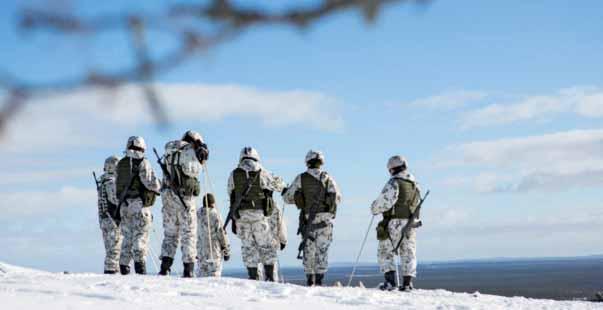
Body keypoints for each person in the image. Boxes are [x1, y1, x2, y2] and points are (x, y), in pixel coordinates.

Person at [227, 146, 286, 281]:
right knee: (266, 247)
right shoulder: (262, 172)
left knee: (248, 248)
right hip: (259, 216)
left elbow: (231, 194)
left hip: (241, 217)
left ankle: (253, 277)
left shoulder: (233, 174)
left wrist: (234, 221)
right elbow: (280, 185)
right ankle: (270, 278)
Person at [283, 150, 341, 286]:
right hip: (325, 221)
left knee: (309, 250)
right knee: (322, 251)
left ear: (307, 162)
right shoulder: (328, 179)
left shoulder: (301, 178)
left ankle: (310, 282)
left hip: (309, 220)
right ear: (321, 162)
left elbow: (287, 198)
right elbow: (337, 198)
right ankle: (320, 282)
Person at [158, 130, 209, 278]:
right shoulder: (188, 151)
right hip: (184, 197)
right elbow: (193, 171)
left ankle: (164, 268)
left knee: (170, 234)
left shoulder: (169, 150)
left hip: (167, 196)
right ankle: (189, 270)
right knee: (188, 234)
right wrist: (201, 156)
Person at [371, 155, 422, 291]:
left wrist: (374, 208)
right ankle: (407, 283)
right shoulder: (414, 185)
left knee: (385, 250)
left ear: (392, 169)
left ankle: (390, 282)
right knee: (408, 252)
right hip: (410, 223)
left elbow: (384, 202)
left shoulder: (394, 183)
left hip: (394, 222)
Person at [115, 136, 161, 275]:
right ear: (142, 147)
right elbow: (150, 182)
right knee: (140, 237)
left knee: (127, 237)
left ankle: (124, 268)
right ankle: (140, 271)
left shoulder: (121, 163)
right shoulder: (142, 162)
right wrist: (160, 186)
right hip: (139, 204)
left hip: (124, 205)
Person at [96, 155, 122, 274]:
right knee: (114, 250)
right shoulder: (111, 182)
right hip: (112, 220)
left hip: (105, 220)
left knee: (110, 249)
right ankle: (111, 273)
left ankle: (112, 272)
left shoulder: (103, 181)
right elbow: (114, 200)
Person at [197, 193, 231, 277]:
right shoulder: (215, 214)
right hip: (213, 250)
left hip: (201, 251)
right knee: (214, 277)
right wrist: (226, 249)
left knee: (202, 277)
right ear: (212, 203)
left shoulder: (197, 214)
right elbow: (221, 233)